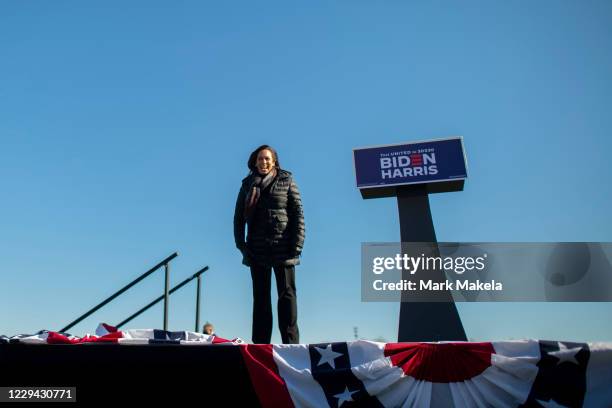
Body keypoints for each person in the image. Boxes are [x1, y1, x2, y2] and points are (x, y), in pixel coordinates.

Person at [233, 145, 305, 344]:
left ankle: (291, 346)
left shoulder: (287, 180)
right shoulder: (247, 185)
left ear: (274, 161)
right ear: (254, 162)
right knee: (261, 300)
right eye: (259, 159)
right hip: (257, 250)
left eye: (267, 159)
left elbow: (298, 213)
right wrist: (243, 247)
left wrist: (297, 246)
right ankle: (260, 347)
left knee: (287, 298)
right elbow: (238, 218)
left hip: (285, 249)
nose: (263, 162)